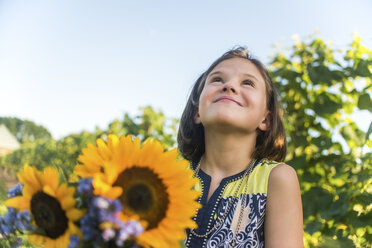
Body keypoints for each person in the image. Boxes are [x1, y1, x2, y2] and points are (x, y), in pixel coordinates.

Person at [177, 47, 303, 248]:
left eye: (248, 83)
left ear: (266, 120)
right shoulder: (168, 176)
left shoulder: (276, 179)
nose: (229, 86)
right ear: (197, 112)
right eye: (217, 79)